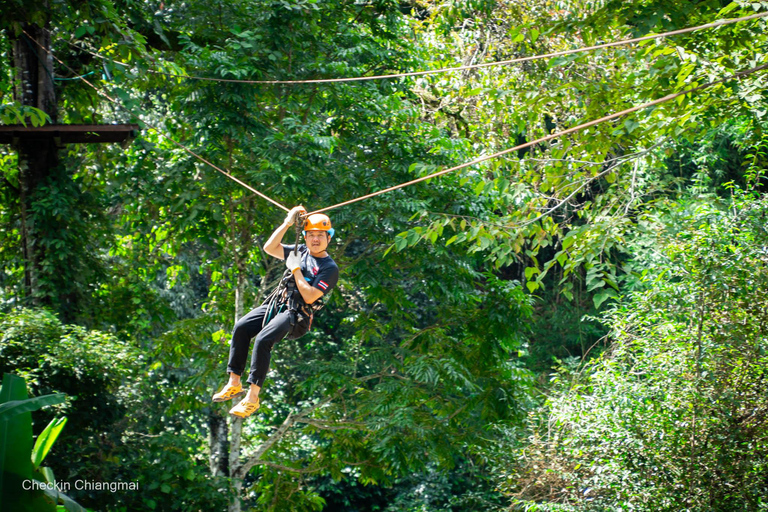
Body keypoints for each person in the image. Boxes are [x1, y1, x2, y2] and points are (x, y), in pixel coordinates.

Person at [211, 206, 339, 418]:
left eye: (320, 236)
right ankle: (234, 382)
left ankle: (252, 398)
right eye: (311, 235)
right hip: (277, 304)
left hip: (296, 315)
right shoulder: (301, 250)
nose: (315, 240)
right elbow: (270, 247)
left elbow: (309, 296)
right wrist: (287, 222)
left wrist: (296, 269)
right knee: (241, 327)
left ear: (329, 238)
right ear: (305, 237)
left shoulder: (329, 268)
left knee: (263, 339)